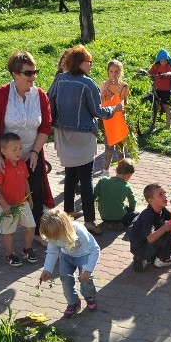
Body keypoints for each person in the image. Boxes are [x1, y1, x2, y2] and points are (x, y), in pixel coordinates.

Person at [48, 45, 123, 236]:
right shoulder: (87, 83)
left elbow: (49, 100)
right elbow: (97, 111)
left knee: (70, 172)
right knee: (86, 177)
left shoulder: (60, 78)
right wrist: (114, 110)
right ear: (80, 63)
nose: (90, 65)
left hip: (63, 133)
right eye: (88, 61)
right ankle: (90, 220)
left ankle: (68, 210)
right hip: (83, 134)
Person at [0, 51, 54, 243]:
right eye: (28, 73)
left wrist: (34, 151)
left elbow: (46, 126)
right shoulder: (1, 95)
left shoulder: (40, 95)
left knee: (35, 192)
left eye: (35, 72)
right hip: (4, 155)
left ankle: (37, 232)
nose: (33, 76)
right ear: (15, 74)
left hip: (30, 154)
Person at [39, 208, 101, 318]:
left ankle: (89, 296)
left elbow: (94, 249)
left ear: (65, 228)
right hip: (66, 256)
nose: (54, 240)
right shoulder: (53, 236)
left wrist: (88, 270)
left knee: (86, 278)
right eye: (51, 238)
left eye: (56, 237)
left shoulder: (79, 231)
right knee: (65, 278)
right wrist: (47, 269)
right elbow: (52, 252)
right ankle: (73, 302)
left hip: (84, 255)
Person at [0, 133, 36, 267]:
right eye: (14, 149)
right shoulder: (1, 168)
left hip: (23, 204)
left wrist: (30, 198)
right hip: (8, 206)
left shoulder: (22, 164)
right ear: (3, 151)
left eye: (20, 148)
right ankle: (9, 254)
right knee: (9, 232)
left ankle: (27, 248)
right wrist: (4, 205)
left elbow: (26, 183)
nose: (19, 152)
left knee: (31, 227)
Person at [130, 183, 171, 272]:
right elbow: (149, 238)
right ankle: (162, 260)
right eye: (160, 195)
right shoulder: (147, 215)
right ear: (151, 200)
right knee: (167, 225)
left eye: (164, 193)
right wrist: (164, 228)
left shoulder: (161, 209)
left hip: (142, 248)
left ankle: (146, 259)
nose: (165, 197)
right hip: (142, 248)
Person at [100, 59, 129, 173]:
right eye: (111, 71)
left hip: (119, 119)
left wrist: (124, 114)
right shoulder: (103, 84)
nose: (113, 74)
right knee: (109, 147)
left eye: (116, 71)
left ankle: (122, 172)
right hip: (108, 119)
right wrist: (104, 91)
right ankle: (105, 170)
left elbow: (124, 103)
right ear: (108, 72)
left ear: (120, 72)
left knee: (120, 148)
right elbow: (101, 102)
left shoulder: (124, 86)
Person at [94, 158, 138, 229]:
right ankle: (122, 224)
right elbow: (133, 201)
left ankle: (108, 223)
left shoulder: (103, 180)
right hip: (119, 217)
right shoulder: (127, 186)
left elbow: (94, 194)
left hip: (104, 216)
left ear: (116, 170)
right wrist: (131, 209)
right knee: (135, 214)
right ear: (128, 175)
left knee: (123, 208)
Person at [147, 49, 171, 130]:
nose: (163, 62)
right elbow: (150, 72)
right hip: (157, 89)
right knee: (155, 107)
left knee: (166, 107)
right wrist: (144, 72)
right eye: (161, 61)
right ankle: (153, 125)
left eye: (165, 61)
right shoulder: (156, 66)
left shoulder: (168, 66)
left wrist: (168, 74)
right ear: (158, 60)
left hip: (165, 90)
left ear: (167, 60)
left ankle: (168, 124)